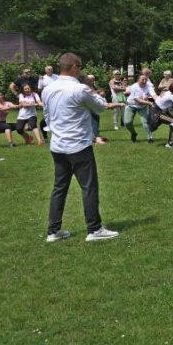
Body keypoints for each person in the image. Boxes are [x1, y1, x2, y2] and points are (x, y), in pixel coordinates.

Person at [42, 53, 120, 242]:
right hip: (78, 145)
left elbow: (47, 116)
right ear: (75, 67)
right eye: (81, 67)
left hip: (57, 145)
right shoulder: (80, 89)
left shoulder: (47, 89)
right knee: (89, 187)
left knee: (59, 188)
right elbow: (100, 107)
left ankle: (53, 231)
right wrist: (90, 86)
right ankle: (94, 229)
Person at [123, 73, 157, 143]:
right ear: (138, 80)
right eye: (142, 79)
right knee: (127, 122)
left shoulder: (148, 86)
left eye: (146, 79)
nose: (144, 81)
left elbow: (154, 95)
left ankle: (150, 138)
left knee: (145, 122)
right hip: (131, 105)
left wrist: (158, 100)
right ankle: (133, 133)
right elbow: (137, 100)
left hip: (143, 107)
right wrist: (150, 103)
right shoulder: (134, 87)